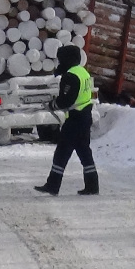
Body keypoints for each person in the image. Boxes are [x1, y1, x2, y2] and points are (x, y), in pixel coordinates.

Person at [35, 44, 98, 196]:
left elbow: (66, 100)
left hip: (75, 119)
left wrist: (53, 104)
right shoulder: (83, 72)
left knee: (62, 152)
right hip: (85, 116)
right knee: (84, 152)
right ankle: (92, 186)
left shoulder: (70, 76)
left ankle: (52, 185)